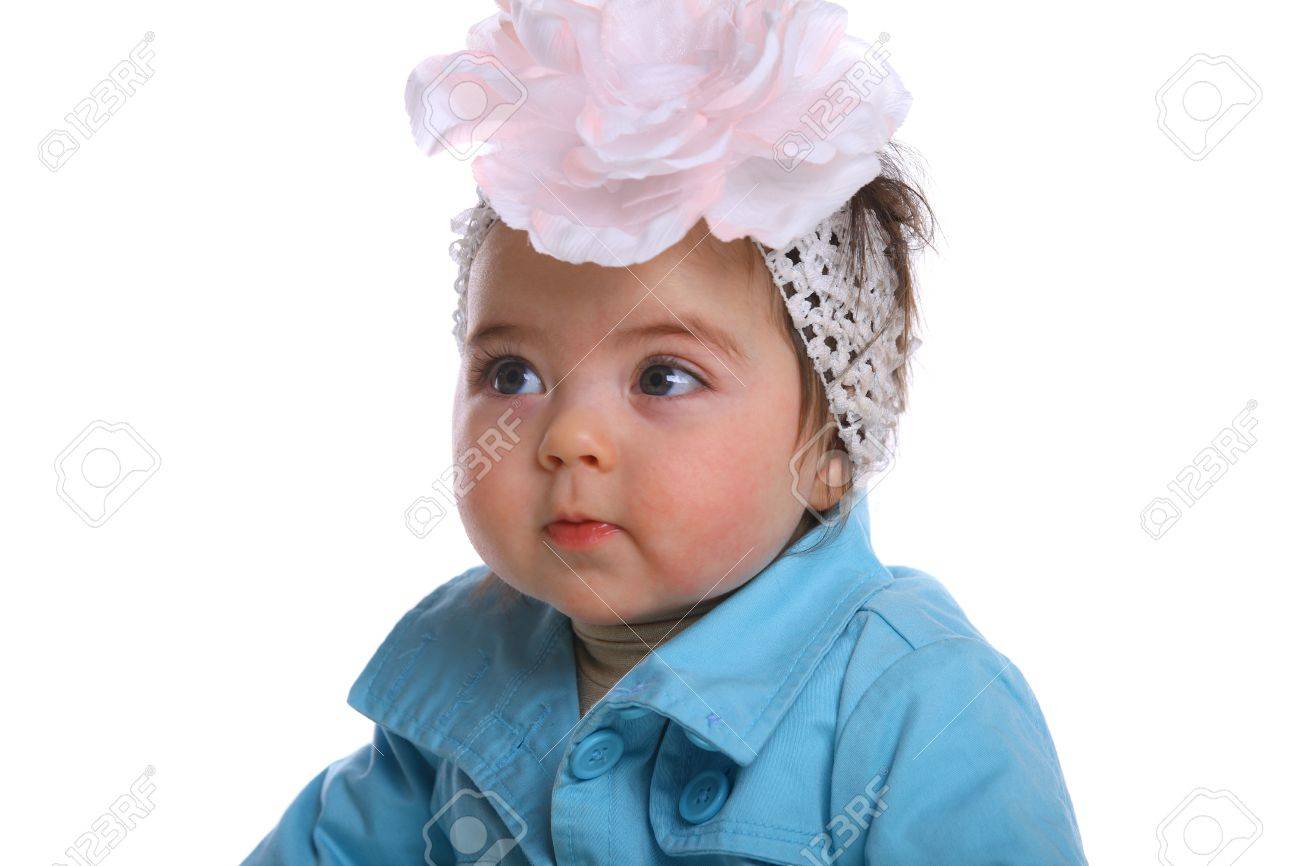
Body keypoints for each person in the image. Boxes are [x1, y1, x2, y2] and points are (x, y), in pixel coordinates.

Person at [242, 1, 1088, 862]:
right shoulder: (463, 669)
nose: (570, 437)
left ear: (831, 450)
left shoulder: (920, 705)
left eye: (663, 378)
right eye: (512, 375)